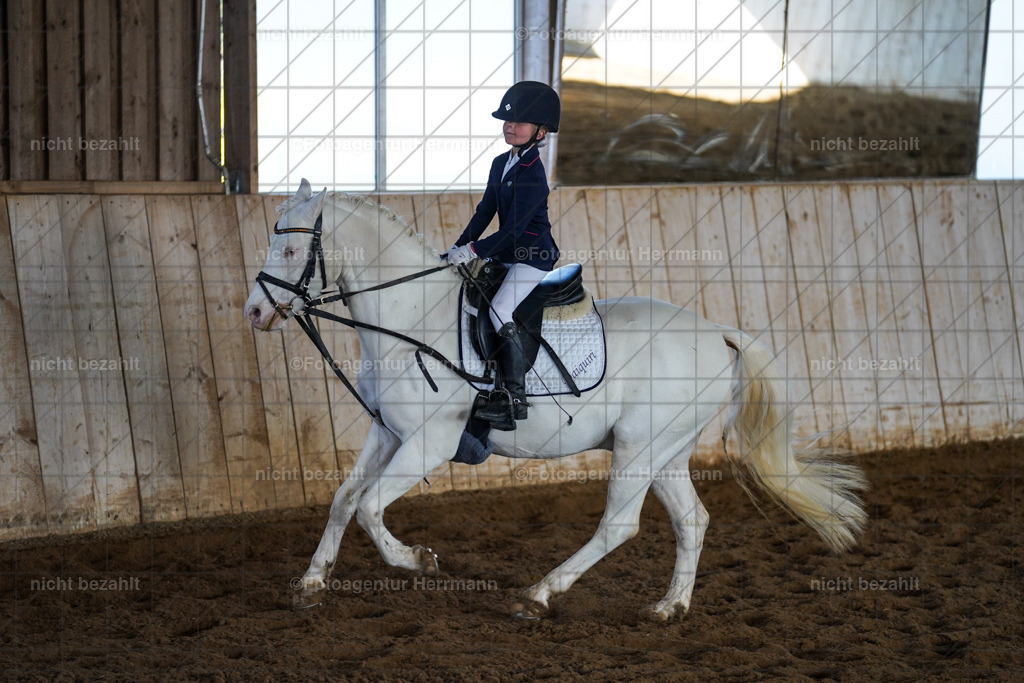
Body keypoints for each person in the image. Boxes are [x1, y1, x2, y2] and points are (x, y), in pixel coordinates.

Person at [447, 80, 561, 431]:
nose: (510, 126)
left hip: (531, 256)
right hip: (504, 254)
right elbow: (484, 212)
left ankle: (514, 397)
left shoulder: (534, 175)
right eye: (507, 121)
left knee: (499, 310)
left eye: (519, 122)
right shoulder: (501, 163)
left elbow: (512, 231)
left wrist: (473, 250)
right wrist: (457, 248)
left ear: (540, 132)